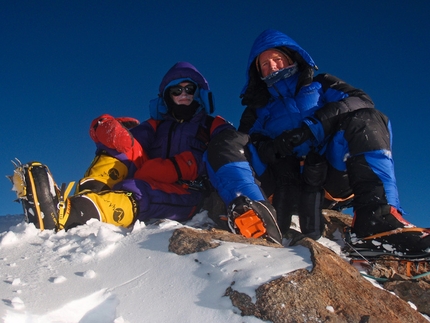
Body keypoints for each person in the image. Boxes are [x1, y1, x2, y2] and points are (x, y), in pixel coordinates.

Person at [206, 29, 430, 253]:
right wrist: (270, 148)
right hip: (279, 184)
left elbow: (361, 102)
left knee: (366, 120)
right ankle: (256, 216)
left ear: (292, 58)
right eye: (264, 64)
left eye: (277, 59)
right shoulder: (256, 109)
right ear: (258, 73)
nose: (272, 66)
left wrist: (310, 129)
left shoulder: (322, 85)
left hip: (329, 177)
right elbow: (249, 142)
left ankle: (376, 219)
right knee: (225, 141)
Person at [12, 62, 236, 231]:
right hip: (148, 177)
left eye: (190, 89)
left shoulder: (211, 124)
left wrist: (176, 167)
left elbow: (227, 154)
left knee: (140, 191)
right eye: (177, 91)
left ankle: (74, 215)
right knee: (119, 145)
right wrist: (103, 129)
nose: (184, 95)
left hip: (189, 192)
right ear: (168, 96)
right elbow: (125, 145)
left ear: (199, 93)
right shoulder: (155, 126)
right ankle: (90, 195)